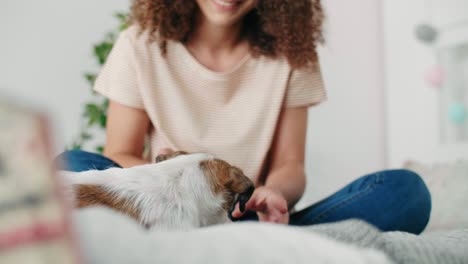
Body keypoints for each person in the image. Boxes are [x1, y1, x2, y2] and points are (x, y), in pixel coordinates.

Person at [57, 0, 431, 234]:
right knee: (72, 163)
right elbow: (119, 153)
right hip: (167, 216)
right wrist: (174, 177)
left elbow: (290, 164)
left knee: (405, 192)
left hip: (247, 217)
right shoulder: (139, 43)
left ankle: (251, 244)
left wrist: (275, 192)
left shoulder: (292, 53)